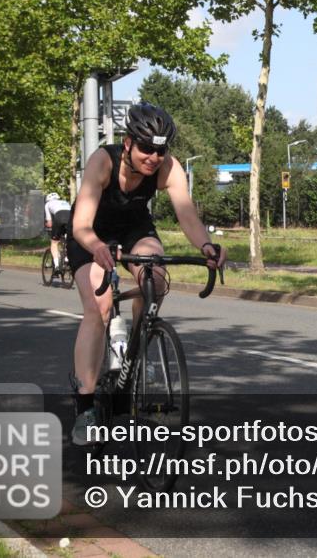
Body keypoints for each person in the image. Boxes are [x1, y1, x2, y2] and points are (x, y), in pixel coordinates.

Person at [67, 102, 226, 445]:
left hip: (133, 229)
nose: (153, 157)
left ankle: (136, 352)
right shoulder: (102, 161)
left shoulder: (167, 167)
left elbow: (187, 215)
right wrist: (96, 246)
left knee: (155, 277)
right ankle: (85, 406)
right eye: (146, 148)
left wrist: (207, 247)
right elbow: (80, 224)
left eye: (160, 150)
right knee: (101, 305)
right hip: (91, 233)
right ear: (128, 143)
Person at [44, 192, 71, 275]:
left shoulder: (48, 204)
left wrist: (48, 225)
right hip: (71, 218)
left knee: (54, 242)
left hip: (59, 217)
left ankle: (56, 266)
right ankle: (67, 258)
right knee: (68, 239)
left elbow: (49, 222)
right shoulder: (65, 202)